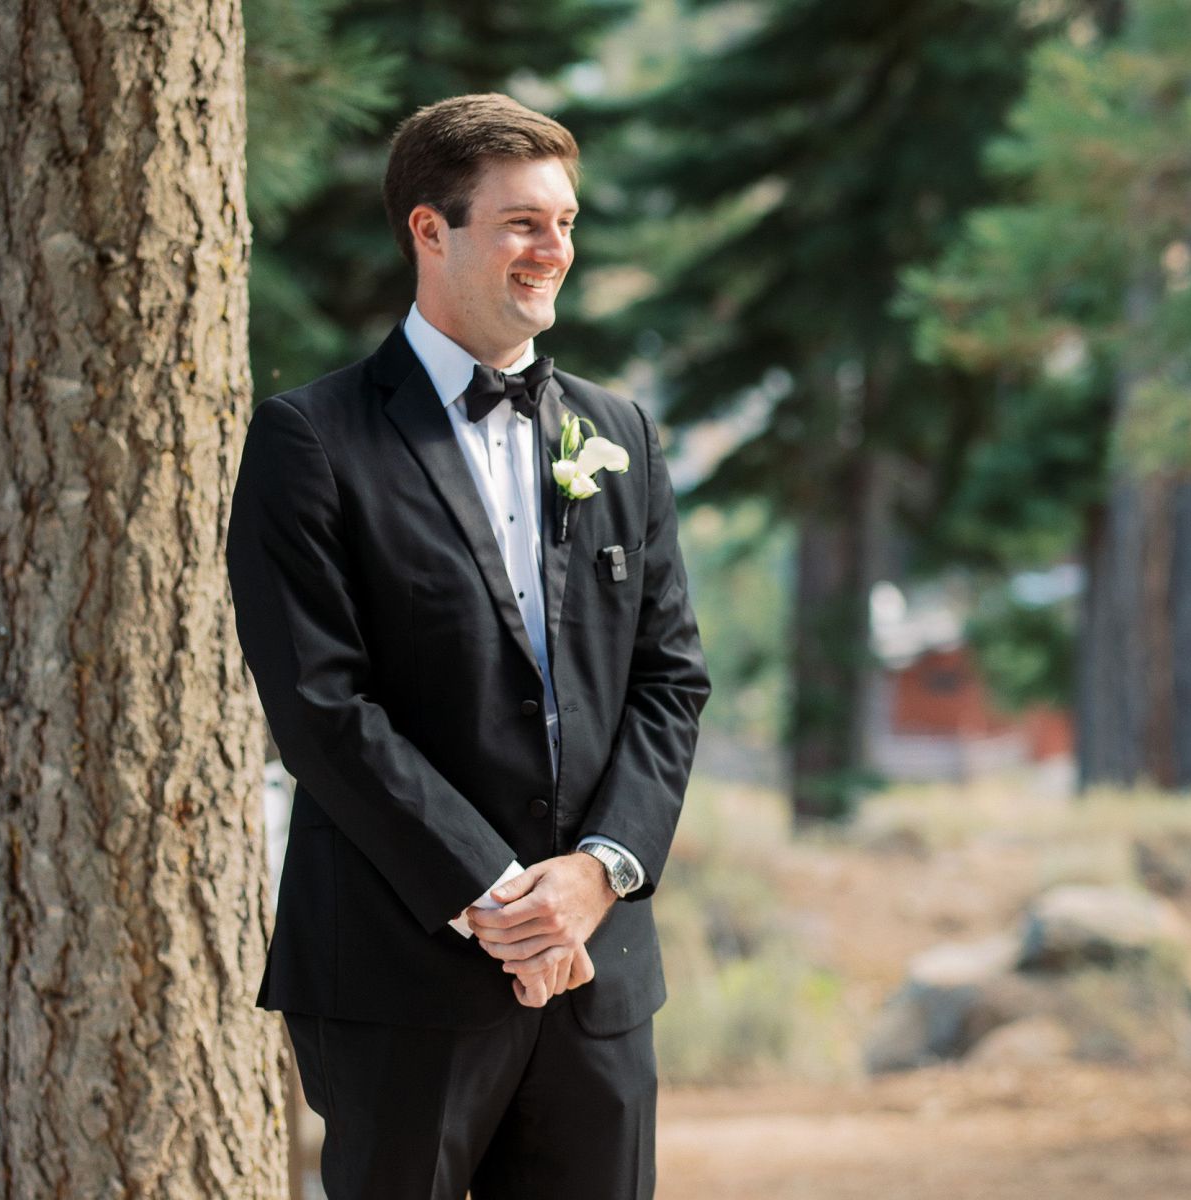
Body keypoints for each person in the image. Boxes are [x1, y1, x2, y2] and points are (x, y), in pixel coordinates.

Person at [226, 93, 709, 1199]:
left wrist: (597, 876)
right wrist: (500, 899)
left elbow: (669, 678)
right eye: (521, 224)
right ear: (429, 231)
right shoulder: (311, 440)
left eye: (567, 223)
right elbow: (322, 707)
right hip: (403, 972)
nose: (555, 252)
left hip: (597, 974)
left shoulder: (619, 433)